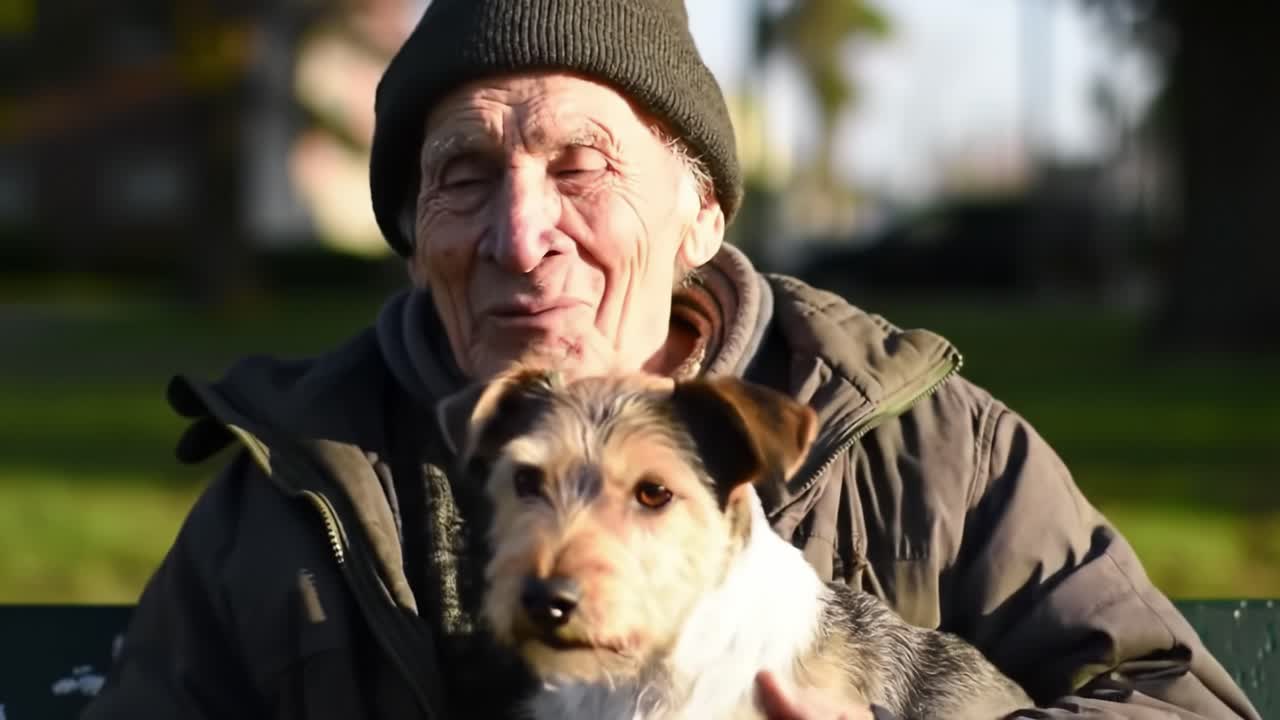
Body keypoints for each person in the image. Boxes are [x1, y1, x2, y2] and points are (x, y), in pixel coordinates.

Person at [82, 1, 1260, 719]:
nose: (518, 233)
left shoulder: (929, 447)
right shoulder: (287, 490)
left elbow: (1177, 706)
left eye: (579, 166)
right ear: (410, 238)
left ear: (701, 216)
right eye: (462, 176)